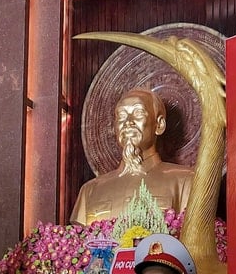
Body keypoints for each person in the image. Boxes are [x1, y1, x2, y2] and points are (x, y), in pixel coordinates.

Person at [70, 89, 193, 225]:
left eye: (138, 113)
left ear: (159, 125)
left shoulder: (186, 181)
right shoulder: (90, 191)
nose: (128, 122)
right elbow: (80, 241)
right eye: (122, 115)